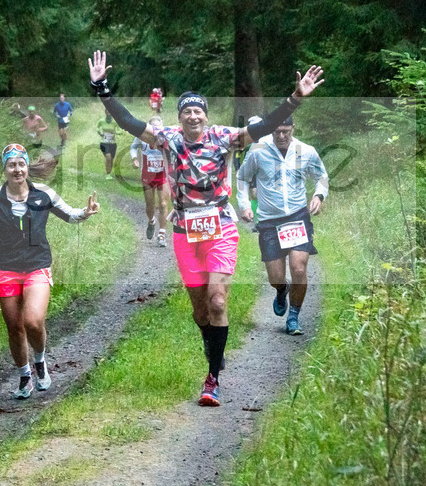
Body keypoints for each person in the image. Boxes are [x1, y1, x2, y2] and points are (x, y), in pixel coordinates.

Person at [88, 49, 324, 407]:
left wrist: (294, 99)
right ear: (179, 116)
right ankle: (213, 345)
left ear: (206, 116)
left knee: (217, 300)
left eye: (198, 110)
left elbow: (261, 127)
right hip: (185, 231)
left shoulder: (224, 137)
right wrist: (102, 88)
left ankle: (212, 378)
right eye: (187, 110)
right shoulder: (167, 138)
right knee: (201, 311)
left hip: (220, 228)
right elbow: (128, 123)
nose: (193, 115)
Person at [0, 144, 100, 399]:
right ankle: (24, 376)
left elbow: (71, 215)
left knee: (32, 321)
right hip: (7, 269)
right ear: (5, 169)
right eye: (12, 165)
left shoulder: (44, 194)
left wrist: (86, 213)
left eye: (21, 164)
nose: (17, 169)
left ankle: (40, 362)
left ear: (27, 168)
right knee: (14, 327)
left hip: (37, 265)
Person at [236, 117, 328, 335]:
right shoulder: (258, 150)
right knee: (275, 278)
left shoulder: (306, 151)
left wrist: (319, 195)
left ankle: (294, 316)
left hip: (297, 217)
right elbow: (242, 177)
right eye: (277, 131)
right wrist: (244, 205)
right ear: (271, 131)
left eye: (286, 131)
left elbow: (322, 176)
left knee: (298, 268)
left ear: (293, 129)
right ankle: (282, 289)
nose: (281, 136)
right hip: (269, 221)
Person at [130, 116, 171, 247]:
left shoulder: (166, 137)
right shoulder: (142, 137)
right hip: (148, 176)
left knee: (163, 204)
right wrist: (134, 159)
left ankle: (162, 234)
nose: (156, 131)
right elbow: (133, 147)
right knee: (150, 206)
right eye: (153, 128)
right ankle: (151, 221)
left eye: (158, 128)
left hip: (162, 175)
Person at [97, 113, 118, 180]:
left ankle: (109, 172)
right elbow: (97, 128)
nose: (108, 113)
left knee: (111, 159)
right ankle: (108, 174)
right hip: (103, 142)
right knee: (108, 157)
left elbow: (120, 131)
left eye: (110, 112)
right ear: (105, 112)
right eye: (107, 111)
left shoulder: (115, 122)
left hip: (113, 143)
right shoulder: (101, 121)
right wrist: (100, 133)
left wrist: (115, 132)